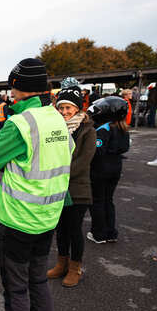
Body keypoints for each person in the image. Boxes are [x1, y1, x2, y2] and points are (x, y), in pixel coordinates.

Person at [0, 58, 74, 311]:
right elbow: (66, 154)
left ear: (18, 89)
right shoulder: (57, 118)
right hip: (49, 217)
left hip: (18, 220)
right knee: (38, 282)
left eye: (12, 87)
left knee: (16, 288)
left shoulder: (20, 124)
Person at [47, 84, 96, 288]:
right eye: (61, 108)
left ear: (78, 108)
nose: (65, 112)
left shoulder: (88, 130)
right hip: (58, 188)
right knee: (61, 229)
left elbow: (84, 161)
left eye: (69, 108)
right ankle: (61, 263)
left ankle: (75, 268)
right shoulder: (56, 129)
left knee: (74, 229)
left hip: (78, 189)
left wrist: (58, 175)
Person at [86, 97, 130, 244]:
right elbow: (125, 148)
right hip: (116, 168)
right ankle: (110, 232)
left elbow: (97, 151)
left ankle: (99, 233)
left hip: (100, 169)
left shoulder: (104, 129)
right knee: (108, 200)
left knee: (97, 201)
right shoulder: (123, 128)